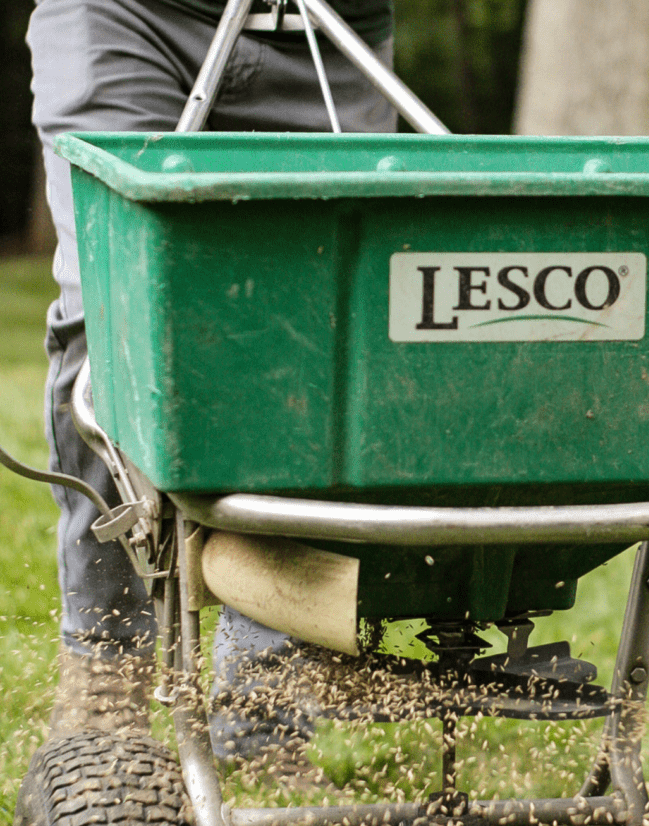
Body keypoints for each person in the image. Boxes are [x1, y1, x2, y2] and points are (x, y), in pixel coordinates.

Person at [27, 0, 395, 782]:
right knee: (113, 306)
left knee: (325, 328)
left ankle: (265, 700)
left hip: (332, 30)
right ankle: (107, 668)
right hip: (131, 16)